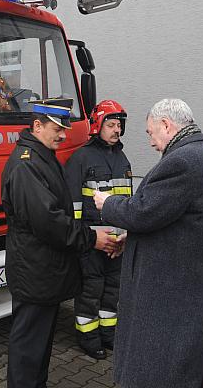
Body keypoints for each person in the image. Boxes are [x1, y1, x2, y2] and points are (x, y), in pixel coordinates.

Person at [93, 98, 203, 388]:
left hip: (170, 294)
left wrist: (108, 203)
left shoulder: (182, 161)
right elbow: (177, 218)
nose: (151, 141)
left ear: (166, 125)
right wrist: (134, 236)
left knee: (162, 370)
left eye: (150, 132)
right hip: (190, 286)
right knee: (187, 369)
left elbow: (142, 211)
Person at [1, 97, 119, 388]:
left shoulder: (41, 156)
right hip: (36, 272)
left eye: (65, 128)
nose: (64, 134)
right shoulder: (27, 165)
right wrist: (91, 238)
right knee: (29, 348)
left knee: (38, 346)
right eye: (57, 128)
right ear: (37, 126)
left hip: (43, 271)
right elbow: (49, 222)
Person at [64, 99, 132, 359]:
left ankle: (108, 335)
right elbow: (72, 205)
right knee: (90, 291)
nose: (116, 130)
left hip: (117, 241)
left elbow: (128, 203)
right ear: (97, 126)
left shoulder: (122, 158)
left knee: (112, 291)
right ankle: (88, 338)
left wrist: (124, 235)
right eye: (111, 124)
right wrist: (84, 239)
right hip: (92, 241)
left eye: (119, 125)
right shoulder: (81, 157)